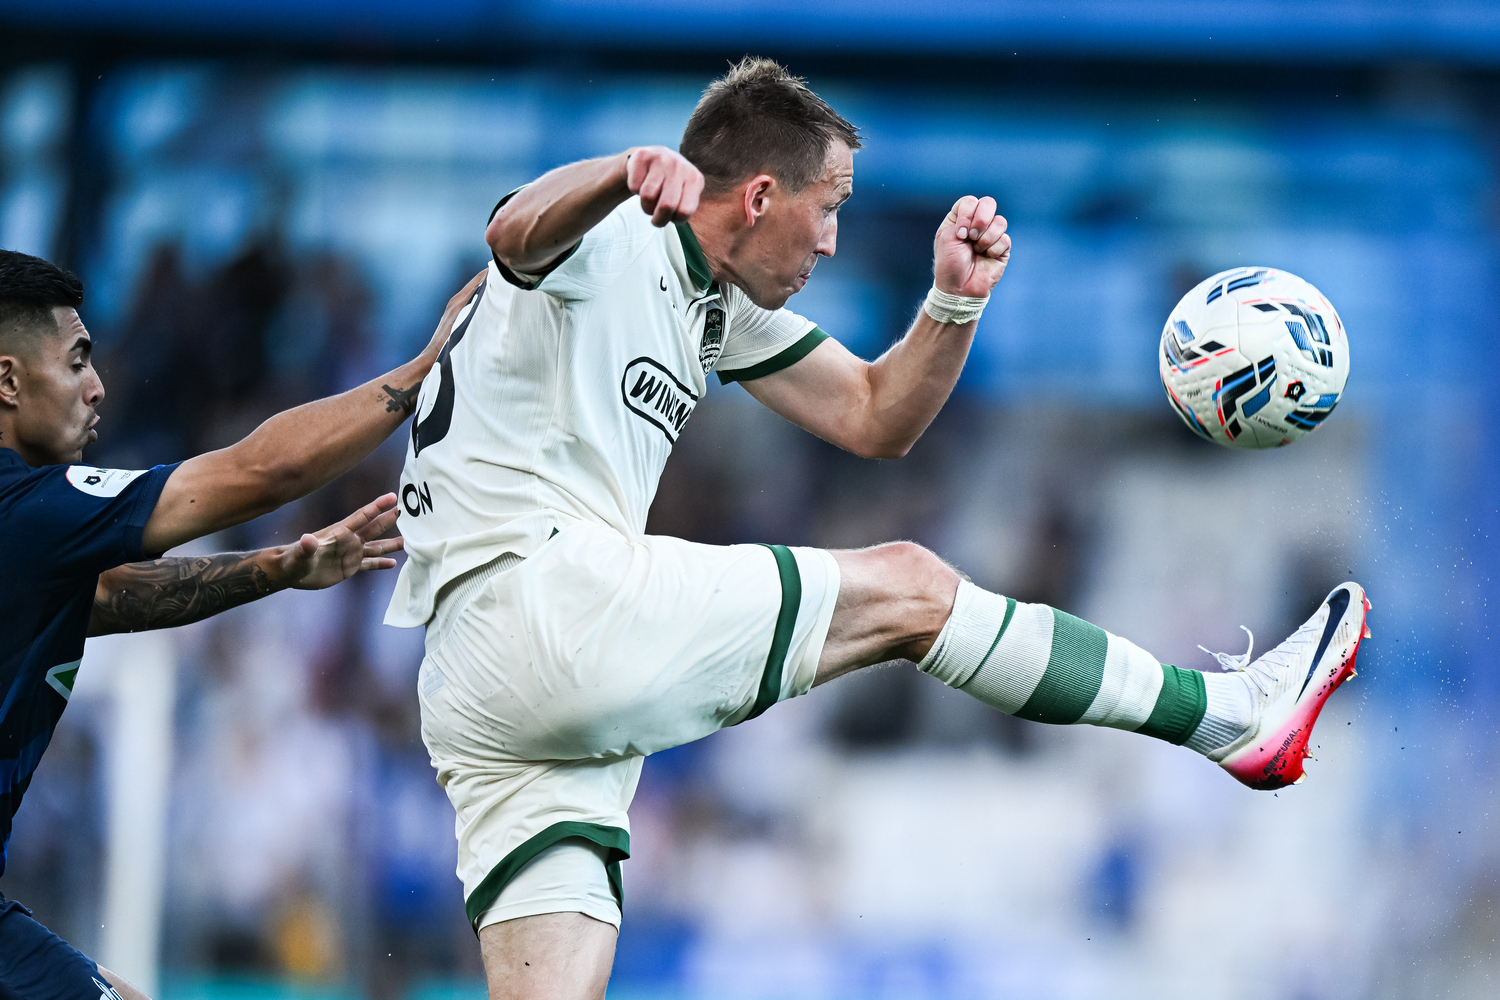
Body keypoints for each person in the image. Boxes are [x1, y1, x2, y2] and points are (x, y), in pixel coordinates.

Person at [388, 57, 1372, 1000]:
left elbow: (873, 416)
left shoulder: (715, 301)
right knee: (910, 587)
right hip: (548, 601)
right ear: (760, 196)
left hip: (480, 681)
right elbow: (513, 235)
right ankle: (1230, 715)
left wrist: (952, 302)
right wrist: (620, 170)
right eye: (828, 210)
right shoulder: (620, 234)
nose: (830, 243)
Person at [0, 248, 483, 1000]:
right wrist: (423, 373)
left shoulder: (30, 535)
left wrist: (277, 568)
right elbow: (260, 473)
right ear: (8, 380)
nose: (97, 387)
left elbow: (110, 596)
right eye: (76, 362)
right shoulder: (27, 509)